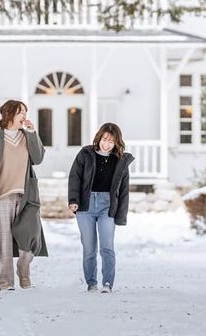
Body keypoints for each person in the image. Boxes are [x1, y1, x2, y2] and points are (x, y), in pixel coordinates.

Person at [0, 99, 48, 291]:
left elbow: (38, 158)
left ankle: (23, 267)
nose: (24, 116)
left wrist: (33, 133)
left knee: (31, 237)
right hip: (0, 196)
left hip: (26, 195)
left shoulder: (27, 136)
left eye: (25, 112)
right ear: (8, 114)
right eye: (21, 112)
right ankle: (5, 283)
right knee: (3, 242)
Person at [67, 122, 134, 293]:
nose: (107, 144)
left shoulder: (120, 161)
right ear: (99, 137)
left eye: (111, 141)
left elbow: (124, 190)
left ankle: (108, 283)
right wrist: (73, 200)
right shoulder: (85, 154)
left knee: (107, 247)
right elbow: (75, 177)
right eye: (104, 139)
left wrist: (121, 214)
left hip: (107, 206)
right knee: (89, 248)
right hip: (85, 205)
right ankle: (91, 282)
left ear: (116, 143)